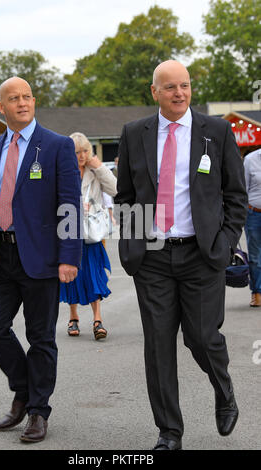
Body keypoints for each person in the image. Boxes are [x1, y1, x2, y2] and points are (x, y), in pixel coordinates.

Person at [114, 60, 247, 450]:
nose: (179, 93)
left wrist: (224, 243)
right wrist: (131, 244)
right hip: (152, 256)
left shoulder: (216, 132)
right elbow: (125, 196)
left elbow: (235, 195)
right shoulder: (134, 133)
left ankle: (224, 392)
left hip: (201, 255)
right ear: (154, 91)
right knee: (158, 347)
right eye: (170, 87)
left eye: (185, 86)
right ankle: (169, 431)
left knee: (203, 338)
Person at [0, 77, 82, 443]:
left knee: (41, 337)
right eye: (13, 98)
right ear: (0, 106)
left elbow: (69, 205)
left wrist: (69, 256)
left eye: (27, 96)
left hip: (42, 258)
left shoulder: (57, 146)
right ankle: (23, 389)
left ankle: (37, 411)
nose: (22, 102)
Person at [60, 132, 117, 340]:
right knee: (71, 276)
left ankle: (97, 319)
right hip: (68, 230)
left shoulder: (95, 171)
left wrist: (100, 167)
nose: (81, 155)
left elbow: (115, 189)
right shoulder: (63, 171)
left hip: (92, 233)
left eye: (85, 151)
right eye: (77, 152)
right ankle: (73, 317)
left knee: (94, 274)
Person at [243, 148, 261, 307]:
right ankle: (257, 292)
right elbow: (242, 189)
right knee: (255, 257)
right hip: (254, 214)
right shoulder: (250, 160)